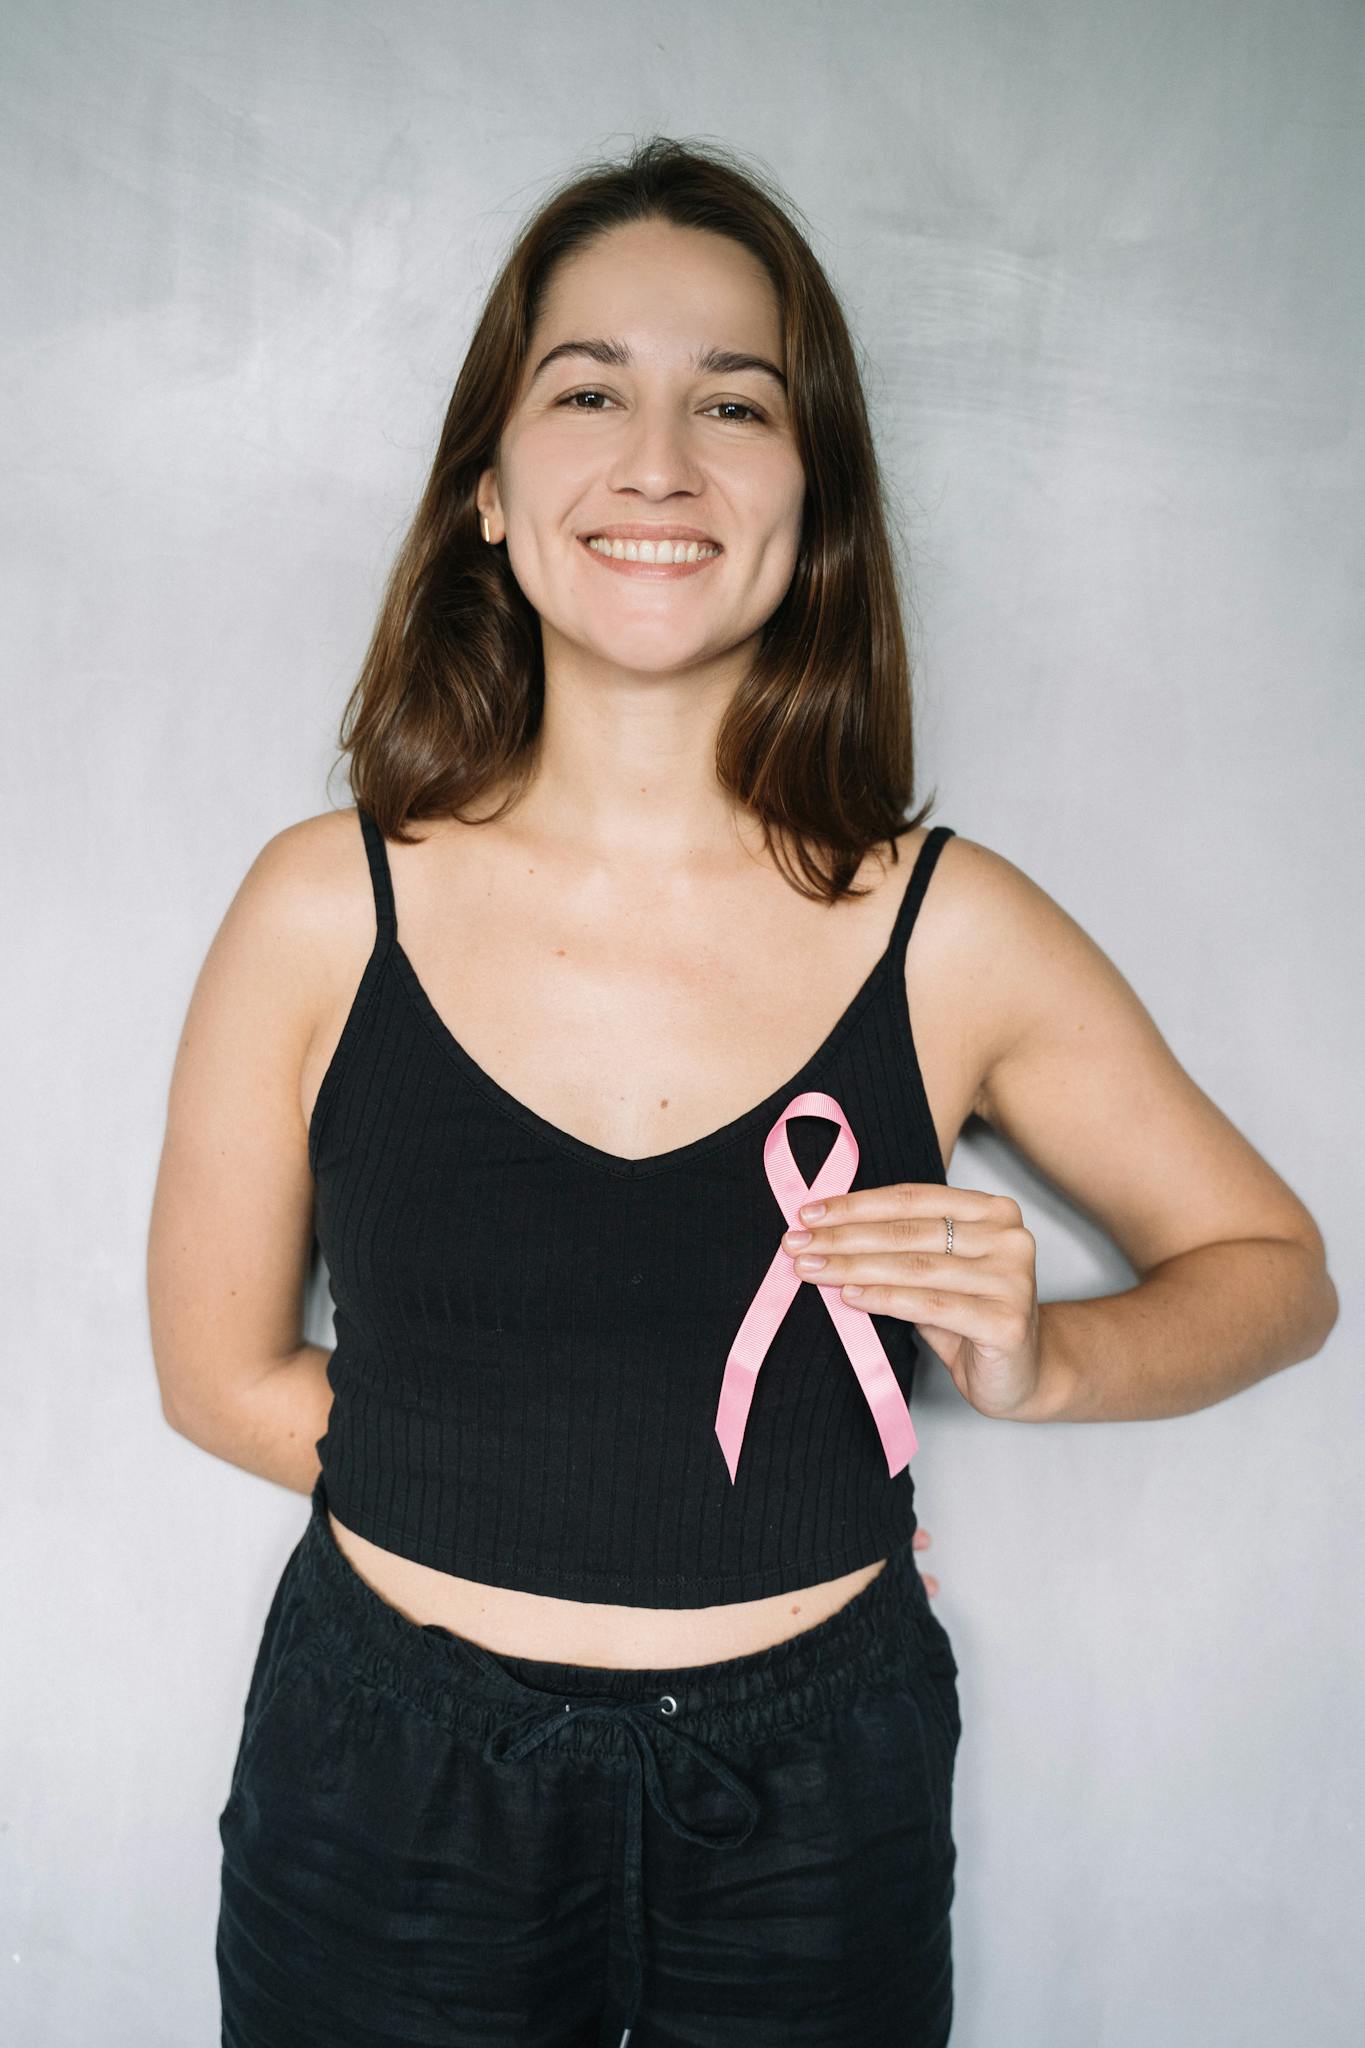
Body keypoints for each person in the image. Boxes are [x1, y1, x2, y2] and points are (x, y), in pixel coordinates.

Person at [146, 136, 1337, 2048]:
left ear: (814, 498)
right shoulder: (320, 902)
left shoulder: (952, 933)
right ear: (487, 487)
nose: (659, 458)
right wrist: (569, 1504)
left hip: (816, 1806)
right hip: (394, 1793)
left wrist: (1045, 1361)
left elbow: (1277, 1269)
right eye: (587, 388)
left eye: (734, 402)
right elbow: (217, 1375)